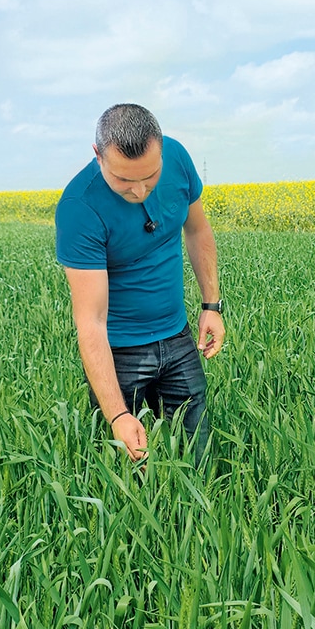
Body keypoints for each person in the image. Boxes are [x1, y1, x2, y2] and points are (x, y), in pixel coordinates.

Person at [54, 103, 224, 465]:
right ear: (98, 156)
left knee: (198, 457)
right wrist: (116, 414)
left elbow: (197, 230)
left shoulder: (177, 158)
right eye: (124, 180)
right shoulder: (79, 208)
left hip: (177, 337)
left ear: (161, 149)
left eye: (150, 176)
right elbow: (91, 323)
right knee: (128, 469)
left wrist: (212, 305)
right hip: (119, 353)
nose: (140, 190)